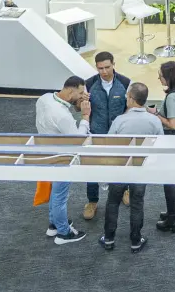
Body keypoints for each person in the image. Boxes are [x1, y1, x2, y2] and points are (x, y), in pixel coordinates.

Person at [99, 81, 163, 253]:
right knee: (137, 203)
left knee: (113, 202)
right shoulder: (154, 121)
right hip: (141, 169)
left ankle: (109, 239)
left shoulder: (120, 120)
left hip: (119, 168)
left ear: (132, 99)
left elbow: (108, 143)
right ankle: (136, 240)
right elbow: (161, 144)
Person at [35, 75, 90, 245]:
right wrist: (85, 116)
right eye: (80, 93)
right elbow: (78, 140)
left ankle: (54, 224)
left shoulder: (44, 99)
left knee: (54, 192)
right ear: (70, 90)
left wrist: (78, 103)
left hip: (45, 153)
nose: (83, 96)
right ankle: (63, 233)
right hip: (62, 158)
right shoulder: (63, 117)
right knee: (60, 196)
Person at [83, 51, 130, 220]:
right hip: (97, 133)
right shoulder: (89, 84)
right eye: (100, 68)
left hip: (119, 135)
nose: (104, 71)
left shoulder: (125, 82)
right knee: (93, 167)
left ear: (113, 64)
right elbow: (80, 109)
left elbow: (129, 107)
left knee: (122, 163)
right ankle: (92, 201)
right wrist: (81, 103)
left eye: (107, 67)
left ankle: (125, 189)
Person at [150, 61, 175, 232]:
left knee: (169, 180)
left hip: (172, 140)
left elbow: (173, 124)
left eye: (161, 75)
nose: (159, 78)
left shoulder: (173, 97)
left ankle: (172, 218)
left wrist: (156, 114)